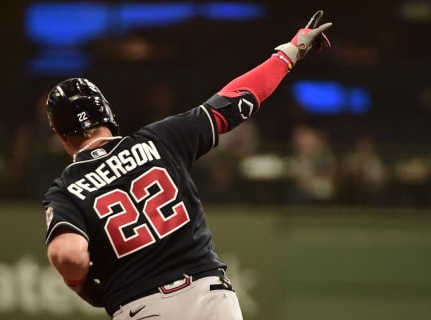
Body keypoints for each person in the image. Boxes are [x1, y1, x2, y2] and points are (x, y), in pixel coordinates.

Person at [42, 10, 332, 320]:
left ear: (60, 134)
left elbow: (68, 254)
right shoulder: (159, 138)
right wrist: (290, 52)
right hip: (210, 296)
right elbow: (235, 100)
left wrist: (80, 284)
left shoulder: (66, 189)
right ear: (108, 116)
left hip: (142, 307)